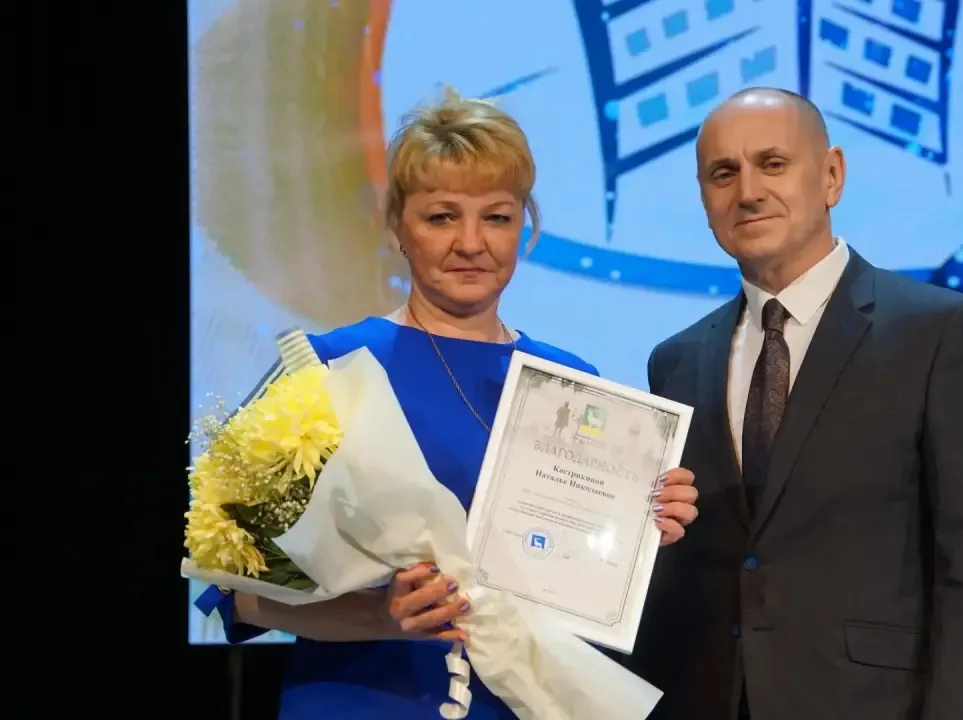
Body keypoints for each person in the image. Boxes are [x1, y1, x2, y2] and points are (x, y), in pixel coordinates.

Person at [194, 90, 700, 719]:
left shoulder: (572, 383)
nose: (471, 242)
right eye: (441, 217)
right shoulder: (326, 370)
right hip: (364, 703)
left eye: (497, 217)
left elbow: (579, 594)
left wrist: (638, 534)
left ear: (524, 226)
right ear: (398, 227)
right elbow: (237, 594)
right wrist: (381, 616)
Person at [626, 88, 963, 719]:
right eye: (723, 174)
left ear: (832, 176)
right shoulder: (676, 361)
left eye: (773, 164)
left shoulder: (941, 333)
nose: (748, 192)